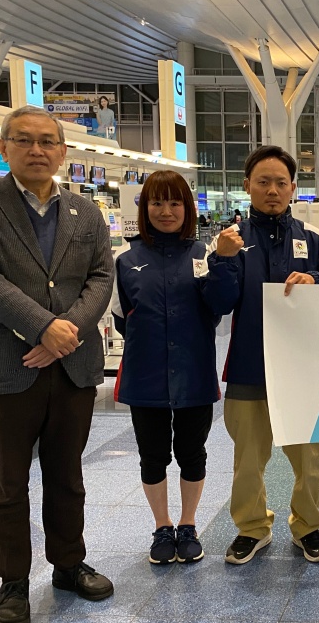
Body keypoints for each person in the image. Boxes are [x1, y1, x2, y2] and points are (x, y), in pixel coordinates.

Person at [0, 105, 115, 622]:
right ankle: (13, 580)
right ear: (4, 149)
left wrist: (64, 336)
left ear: (64, 151)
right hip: (4, 364)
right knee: (6, 481)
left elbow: (100, 277)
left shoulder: (85, 212)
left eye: (48, 141)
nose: (38, 150)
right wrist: (44, 326)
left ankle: (68, 563)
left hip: (71, 368)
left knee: (67, 474)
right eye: (25, 140)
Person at [204, 145, 319, 564]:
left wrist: (316, 280)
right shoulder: (229, 241)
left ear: (293, 187)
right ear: (247, 187)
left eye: (281, 182)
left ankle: (308, 526)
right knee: (247, 460)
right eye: (263, 181)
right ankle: (252, 527)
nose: (273, 190)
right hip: (248, 367)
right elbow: (217, 303)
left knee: (309, 457)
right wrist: (224, 261)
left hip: (302, 368)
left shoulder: (315, 240)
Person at [111, 171, 220, 566]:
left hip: (193, 371)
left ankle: (188, 524)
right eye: (157, 202)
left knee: (193, 452)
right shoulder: (125, 261)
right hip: (146, 374)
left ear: (188, 208)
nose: (166, 211)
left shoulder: (203, 255)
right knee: (152, 455)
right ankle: (162, 525)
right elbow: (122, 316)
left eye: (175, 202)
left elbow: (218, 305)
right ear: (144, 208)